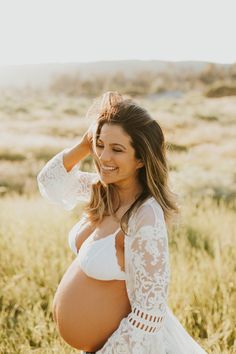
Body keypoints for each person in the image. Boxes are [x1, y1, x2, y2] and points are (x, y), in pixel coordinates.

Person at [37, 91, 208, 353]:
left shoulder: (145, 217)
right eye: (100, 145)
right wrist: (86, 143)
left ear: (141, 158)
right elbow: (50, 183)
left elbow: (148, 315)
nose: (104, 157)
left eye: (117, 149)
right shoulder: (102, 190)